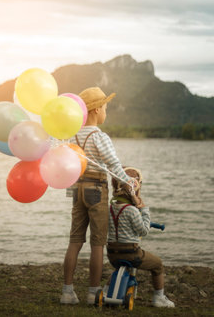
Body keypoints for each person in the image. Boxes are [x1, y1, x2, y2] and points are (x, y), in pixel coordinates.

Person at [60, 87, 137, 305]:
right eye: (104, 108)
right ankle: (93, 292)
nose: (106, 112)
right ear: (95, 110)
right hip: (96, 188)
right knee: (97, 242)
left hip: (76, 188)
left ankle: (67, 291)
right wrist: (128, 182)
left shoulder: (72, 135)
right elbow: (113, 165)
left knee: (75, 240)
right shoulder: (99, 136)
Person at [106, 167, 175, 308]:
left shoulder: (111, 208)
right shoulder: (132, 210)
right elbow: (143, 231)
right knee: (157, 264)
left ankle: (107, 290)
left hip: (113, 254)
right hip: (132, 253)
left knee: (119, 265)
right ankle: (159, 298)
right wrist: (143, 209)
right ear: (134, 187)